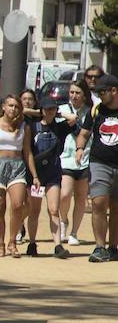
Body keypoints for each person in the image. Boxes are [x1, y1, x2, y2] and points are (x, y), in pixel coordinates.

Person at [0, 95, 39, 257]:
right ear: (3, 106)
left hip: (17, 166)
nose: (13, 109)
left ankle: (12, 241)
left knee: (18, 205)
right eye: (10, 105)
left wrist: (35, 176)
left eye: (16, 106)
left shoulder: (24, 127)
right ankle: (0, 243)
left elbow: (27, 152)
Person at [75, 73, 118, 262]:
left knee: (116, 207)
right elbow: (84, 134)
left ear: (114, 91)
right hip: (99, 162)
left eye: (103, 91)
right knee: (99, 203)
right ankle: (100, 247)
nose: (100, 95)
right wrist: (79, 148)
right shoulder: (96, 110)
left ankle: (114, 247)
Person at [59, 80, 92, 251]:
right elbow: (48, 114)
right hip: (66, 158)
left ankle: (74, 233)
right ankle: (63, 219)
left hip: (86, 159)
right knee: (64, 194)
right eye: (72, 92)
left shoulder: (91, 111)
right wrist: (68, 117)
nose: (74, 96)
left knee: (81, 198)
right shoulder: (63, 109)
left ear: (84, 95)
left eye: (78, 93)